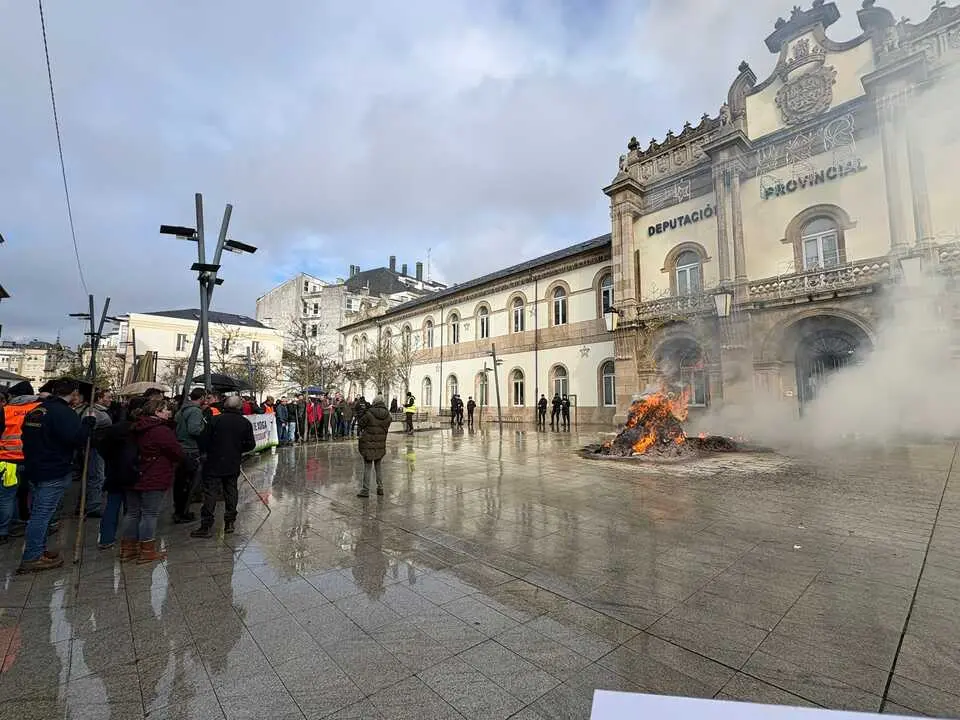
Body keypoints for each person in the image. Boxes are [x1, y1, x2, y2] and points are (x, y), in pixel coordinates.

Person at [18, 379, 95, 573]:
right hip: (52, 469)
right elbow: (75, 438)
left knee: (40, 512)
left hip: (34, 466)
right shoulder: (63, 413)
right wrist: (88, 424)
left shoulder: (38, 410)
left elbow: (25, 435)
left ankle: (38, 549)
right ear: (74, 394)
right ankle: (32, 556)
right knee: (42, 515)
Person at [125, 396, 182, 564]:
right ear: (157, 412)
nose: (169, 412)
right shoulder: (161, 430)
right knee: (149, 513)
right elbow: (176, 451)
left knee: (132, 512)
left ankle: (127, 548)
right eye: (166, 409)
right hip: (154, 474)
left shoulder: (134, 426)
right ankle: (146, 550)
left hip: (132, 473)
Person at [191, 396, 255, 538]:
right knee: (231, 491)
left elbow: (203, 439)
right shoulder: (244, 423)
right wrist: (237, 449)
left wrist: (208, 451)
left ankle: (206, 525)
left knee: (210, 493)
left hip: (213, 461)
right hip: (232, 461)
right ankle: (230, 522)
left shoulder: (215, 420)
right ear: (239, 407)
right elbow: (251, 444)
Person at [96, 396, 147, 550]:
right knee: (132, 509)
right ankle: (130, 539)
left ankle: (106, 538)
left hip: (115, 471)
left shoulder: (116, 428)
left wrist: (111, 460)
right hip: (133, 472)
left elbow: (102, 448)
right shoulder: (141, 429)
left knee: (112, 505)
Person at [173, 388, 206, 523]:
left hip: (181, 447)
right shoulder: (196, 411)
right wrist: (204, 428)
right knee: (188, 483)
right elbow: (194, 430)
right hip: (191, 449)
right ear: (202, 397)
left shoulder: (182, 409)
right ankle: (182, 512)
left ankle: (179, 510)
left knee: (180, 482)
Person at [356, 395, 391, 498]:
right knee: (378, 466)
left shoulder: (369, 413)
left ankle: (365, 490)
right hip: (380, 445)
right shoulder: (388, 415)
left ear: (374, 402)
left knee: (367, 466)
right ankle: (380, 488)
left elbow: (360, 424)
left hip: (368, 443)